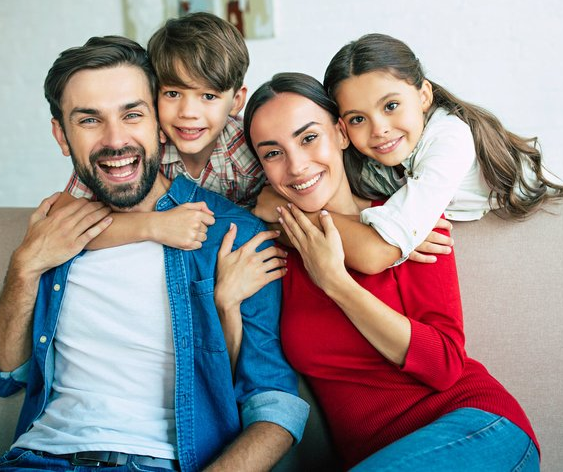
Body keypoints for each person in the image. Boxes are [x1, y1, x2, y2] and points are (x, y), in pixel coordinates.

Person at [0, 37, 308, 472]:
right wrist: (24, 267)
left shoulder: (235, 235)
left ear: (157, 122)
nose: (116, 140)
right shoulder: (57, 232)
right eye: (89, 120)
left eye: (132, 114)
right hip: (36, 461)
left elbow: (275, 405)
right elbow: (3, 377)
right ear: (61, 134)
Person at [221, 72, 539, 471]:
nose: (297, 166)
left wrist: (336, 282)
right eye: (273, 153)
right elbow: (245, 380)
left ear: (339, 133)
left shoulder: (406, 222)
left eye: (308, 138)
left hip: (478, 429)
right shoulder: (273, 246)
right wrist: (225, 304)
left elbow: (444, 365)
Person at [321, 32, 563, 262]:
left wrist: (403, 229)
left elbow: (384, 243)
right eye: (358, 119)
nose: (379, 129)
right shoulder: (367, 153)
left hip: (545, 222)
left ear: (424, 96)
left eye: (391, 106)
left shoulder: (449, 139)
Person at [61, 12, 265, 252]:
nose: (188, 112)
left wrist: (272, 202)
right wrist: (153, 225)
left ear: (236, 101)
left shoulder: (249, 148)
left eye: (208, 96)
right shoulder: (136, 145)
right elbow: (64, 223)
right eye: (173, 94)